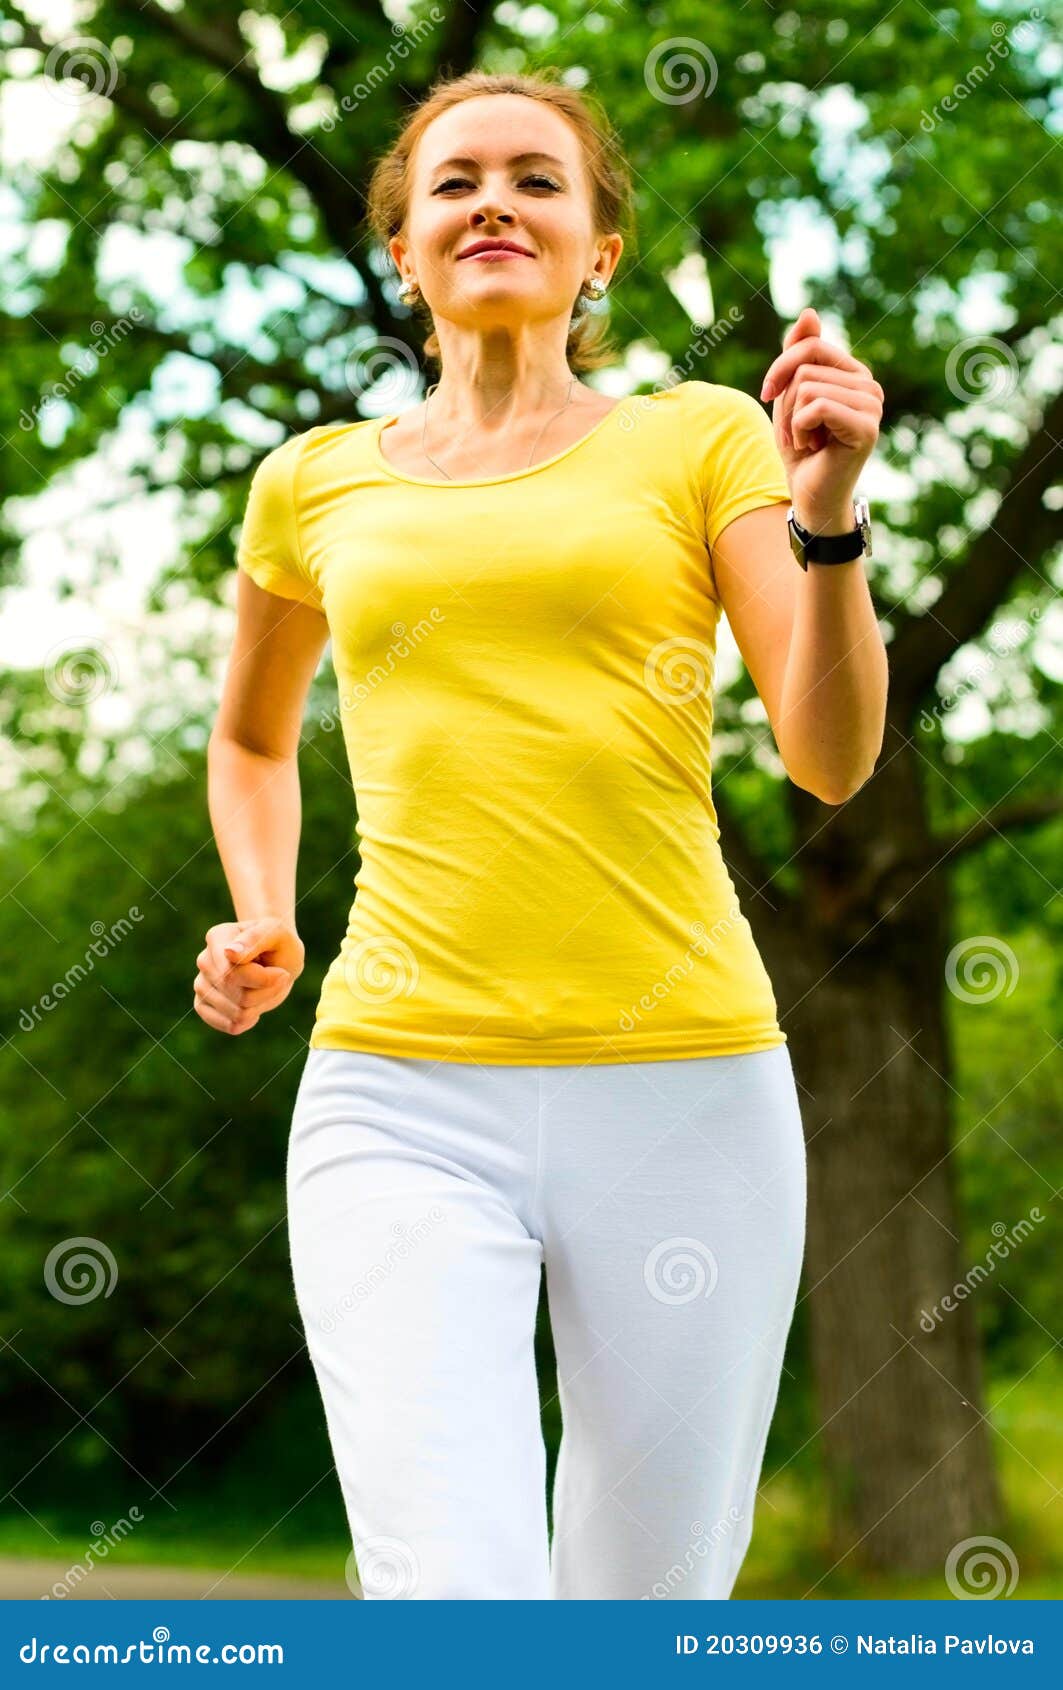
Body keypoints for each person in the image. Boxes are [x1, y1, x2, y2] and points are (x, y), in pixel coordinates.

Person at [196, 68, 887, 1599]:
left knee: (644, 1607)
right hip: (397, 1086)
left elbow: (830, 754)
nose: (491, 200)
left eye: (535, 179)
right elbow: (250, 737)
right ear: (404, 249)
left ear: (600, 252)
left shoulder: (705, 440)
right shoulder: (313, 484)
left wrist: (830, 522)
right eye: (452, 182)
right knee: (457, 1592)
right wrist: (263, 907)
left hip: (688, 1087)